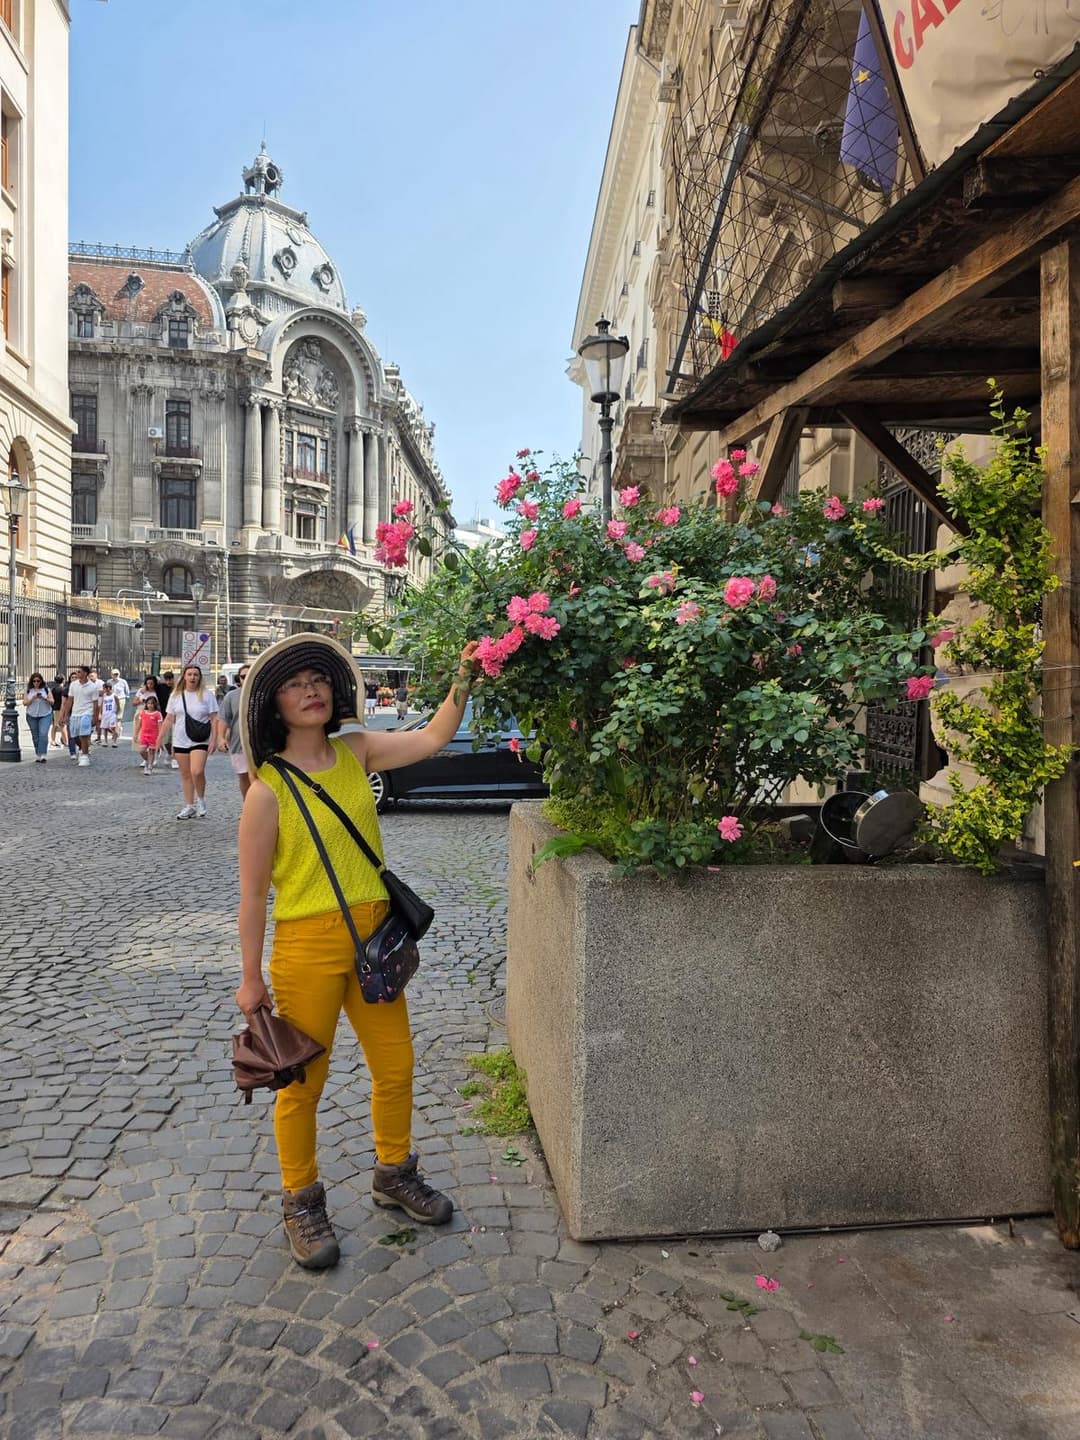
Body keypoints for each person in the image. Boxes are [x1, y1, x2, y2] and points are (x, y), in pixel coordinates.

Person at [235, 632, 479, 1270]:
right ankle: (300, 1200)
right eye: (294, 685)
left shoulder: (358, 749)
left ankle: (394, 1172)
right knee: (302, 1083)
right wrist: (250, 978)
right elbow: (252, 895)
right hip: (305, 947)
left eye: (317, 679)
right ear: (274, 705)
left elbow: (433, 736)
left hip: (374, 938)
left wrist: (466, 674)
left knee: (396, 1064)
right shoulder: (266, 791)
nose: (310, 691)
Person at [159, 665, 219, 819]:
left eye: (196, 675)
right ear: (184, 677)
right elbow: (169, 719)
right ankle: (189, 806)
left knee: (196, 771)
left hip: (200, 738)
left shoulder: (207, 695)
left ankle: (201, 800)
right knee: (186, 774)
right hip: (180, 739)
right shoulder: (176, 696)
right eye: (190, 674)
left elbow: (214, 719)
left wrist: (214, 739)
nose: (193, 677)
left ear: (200, 677)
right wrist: (159, 738)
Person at [216, 662, 252, 798]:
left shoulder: (265, 694)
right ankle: (248, 804)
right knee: (244, 777)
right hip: (238, 744)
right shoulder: (231, 696)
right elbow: (224, 718)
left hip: (262, 746)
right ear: (239, 678)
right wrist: (221, 738)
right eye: (243, 676)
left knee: (261, 779)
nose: (246, 679)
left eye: (250, 675)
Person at [60, 665, 101, 767]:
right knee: (74, 736)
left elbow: (95, 703)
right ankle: (83, 748)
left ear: (85, 673)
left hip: (87, 713)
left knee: (84, 735)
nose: (77, 673)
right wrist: (65, 715)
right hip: (75, 713)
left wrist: (95, 717)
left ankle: (84, 756)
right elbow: (70, 700)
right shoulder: (73, 685)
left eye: (79, 672)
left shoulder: (93, 686)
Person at [22, 673, 52, 762]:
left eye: (38, 681)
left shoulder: (46, 690)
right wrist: (33, 698)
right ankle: (38, 754)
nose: (36, 683)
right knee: (35, 736)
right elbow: (25, 703)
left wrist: (43, 698)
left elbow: (52, 701)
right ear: (31, 682)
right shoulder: (28, 691)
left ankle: (43, 754)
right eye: (34, 681)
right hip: (32, 715)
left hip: (45, 714)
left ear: (41, 681)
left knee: (43, 734)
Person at [136, 694, 163, 775]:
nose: (150, 705)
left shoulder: (158, 714)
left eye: (152, 703)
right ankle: (148, 761)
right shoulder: (143, 713)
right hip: (144, 735)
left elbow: (160, 727)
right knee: (141, 750)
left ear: (155, 704)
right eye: (148, 703)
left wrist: (160, 738)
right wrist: (136, 734)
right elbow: (139, 724)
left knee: (151, 751)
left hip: (153, 736)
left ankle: (149, 767)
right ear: (146, 704)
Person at [160, 672, 178, 768]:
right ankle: (170, 753)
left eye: (170, 679)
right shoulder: (162, 687)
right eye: (166, 680)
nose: (168, 682)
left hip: (177, 717)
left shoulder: (178, 688)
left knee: (175, 739)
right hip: (165, 716)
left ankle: (175, 759)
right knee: (166, 740)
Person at [109, 669, 130, 734]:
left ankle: (117, 731)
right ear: (111, 674)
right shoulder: (109, 682)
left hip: (121, 699)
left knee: (118, 716)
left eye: (116, 674)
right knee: (112, 716)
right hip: (112, 700)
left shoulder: (123, 681)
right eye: (114, 674)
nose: (115, 675)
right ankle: (116, 729)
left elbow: (127, 691)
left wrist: (126, 698)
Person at [49, 674, 66, 749]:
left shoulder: (53, 689)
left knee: (55, 725)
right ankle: (65, 740)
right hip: (61, 709)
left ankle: (53, 740)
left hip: (54, 708)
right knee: (62, 725)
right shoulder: (63, 689)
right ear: (63, 680)